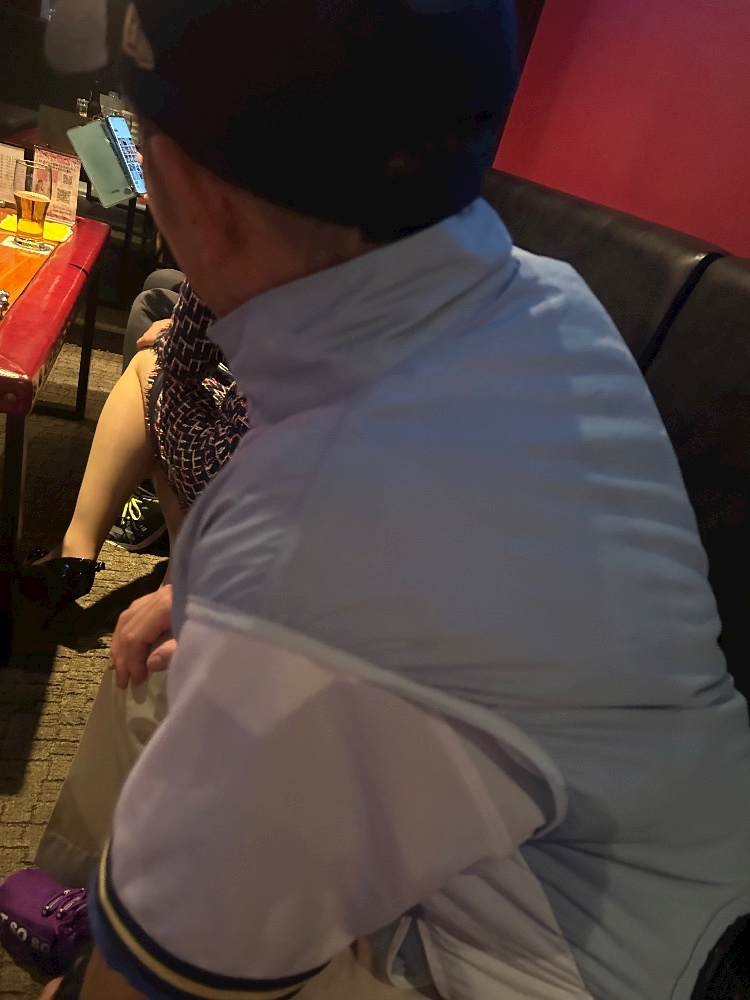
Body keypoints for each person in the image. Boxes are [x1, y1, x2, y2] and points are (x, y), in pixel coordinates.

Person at [12, 0, 750, 997]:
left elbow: (342, 579)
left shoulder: (305, 548)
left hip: (550, 967)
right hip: (664, 855)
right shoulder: (546, 298)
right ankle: (109, 903)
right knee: (162, 668)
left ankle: (125, 931)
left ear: (183, 187)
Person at [19, 280, 249, 614]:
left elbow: (185, 360)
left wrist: (172, 332)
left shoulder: (238, 249)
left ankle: (87, 554)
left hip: (247, 469)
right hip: (320, 472)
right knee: (156, 294)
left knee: (151, 362)